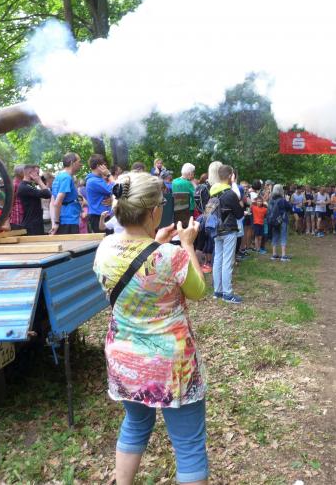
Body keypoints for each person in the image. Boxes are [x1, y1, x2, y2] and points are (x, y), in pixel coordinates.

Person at [92, 172, 208, 485]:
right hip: (171, 366)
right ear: (155, 211)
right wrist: (187, 244)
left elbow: (140, 267)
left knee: (135, 424)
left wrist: (157, 242)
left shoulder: (104, 247)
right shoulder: (172, 255)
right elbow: (198, 291)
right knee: (189, 444)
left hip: (125, 359)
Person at [210, 164, 245, 303]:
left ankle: (217, 291)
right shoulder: (230, 194)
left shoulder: (212, 191)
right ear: (231, 176)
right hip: (229, 229)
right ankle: (228, 294)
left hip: (216, 229)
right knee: (227, 261)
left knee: (218, 259)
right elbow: (239, 214)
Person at [50, 153, 83, 235]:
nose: (81, 164)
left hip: (63, 220)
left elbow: (52, 202)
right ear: (72, 163)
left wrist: (54, 222)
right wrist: (56, 223)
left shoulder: (58, 177)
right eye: (79, 162)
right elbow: (57, 202)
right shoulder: (66, 178)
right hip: (69, 221)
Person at [18, 165, 52, 235]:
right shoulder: (24, 187)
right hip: (31, 225)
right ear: (30, 173)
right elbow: (47, 194)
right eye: (37, 173)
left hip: (36, 223)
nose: (38, 176)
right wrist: (39, 181)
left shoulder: (30, 185)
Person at [85, 154, 115, 234]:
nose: (106, 167)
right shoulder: (94, 181)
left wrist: (111, 199)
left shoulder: (97, 179)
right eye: (104, 165)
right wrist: (109, 174)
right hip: (98, 217)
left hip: (102, 215)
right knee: (105, 240)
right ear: (98, 166)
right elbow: (116, 189)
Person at [268, 184, 291, 260]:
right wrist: (287, 200)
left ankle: (274, 254)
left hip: (274, 221)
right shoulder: (282, 200)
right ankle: (283, 255)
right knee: (283, 235)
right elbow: (289, 208)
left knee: (275, 235)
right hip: (282, 220)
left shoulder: (271, 199)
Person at [10, 164, 25, 230]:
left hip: (22, 210)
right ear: (20, 173)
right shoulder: (15, 184)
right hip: (17, 211)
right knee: (18, 229)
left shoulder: (21, 183)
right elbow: (11, 200)